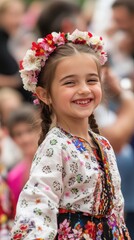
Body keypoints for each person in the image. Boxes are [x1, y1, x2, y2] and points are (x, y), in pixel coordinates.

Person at [11, 29, 130, 239]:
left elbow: (116, 208)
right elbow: (38, 205)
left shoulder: (103, 143)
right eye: (70, 82)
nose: (84, 89)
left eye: (91, 80)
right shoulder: (56, 145)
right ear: (44, 94)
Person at [7, 104, 41, 205]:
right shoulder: (13, 176)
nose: (25, 139)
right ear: (13, 139)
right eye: (18, 134)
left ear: (40, 130)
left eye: (29, 131)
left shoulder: (55, 161)